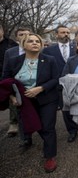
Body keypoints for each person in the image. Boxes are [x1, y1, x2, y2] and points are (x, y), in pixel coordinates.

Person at [3, 34, 59, 172]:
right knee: (36, 125)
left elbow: (56, 79)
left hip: (47, 98)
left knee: (47, 126)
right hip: (25, 101)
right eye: (30, 41)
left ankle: (50, 156)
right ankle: (40, 142)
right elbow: (5, 81)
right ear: (23, 44)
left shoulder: (50, 60)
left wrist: (40, 88)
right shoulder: (13, 61)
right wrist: (12, 97)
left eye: (37, 41)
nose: (34, 43)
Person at [42, 25, 78, 143]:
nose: (66, 34)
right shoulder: (49, 50)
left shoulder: (77, 47)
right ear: (56, 34)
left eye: (68, 32)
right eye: (63, 32)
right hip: (60, 85)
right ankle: (72, 130)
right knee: (66, 109)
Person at [0, 26, 27, 138]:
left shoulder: (10, 45)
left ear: (2, 31)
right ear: (16, 36)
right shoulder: (11, 51)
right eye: (21, 34)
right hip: (5, 76)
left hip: (15, 79)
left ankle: (14, 123)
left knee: (14, 101)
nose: (24, 37)